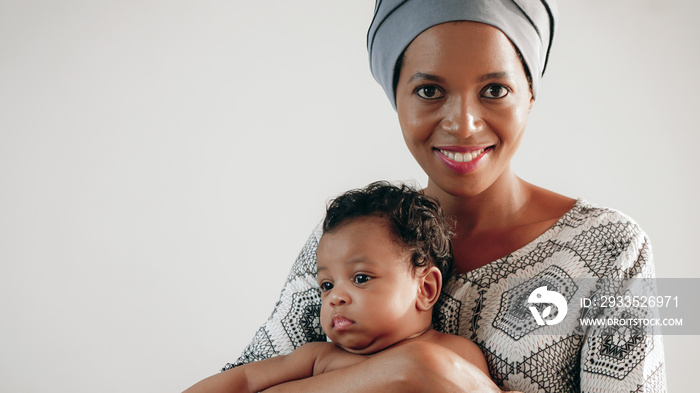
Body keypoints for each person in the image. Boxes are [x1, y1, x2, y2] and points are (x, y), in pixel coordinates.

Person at [223, 1, 668, 392]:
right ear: (395, 99)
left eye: (494, 90)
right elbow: (235, 381)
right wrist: (409, 371)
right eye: (429, 91)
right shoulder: (345, 244)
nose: (464, 124)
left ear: (530, 95)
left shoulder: (616, 249)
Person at [184, 182, 502, 393]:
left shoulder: (456, 354)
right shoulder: (320, 358)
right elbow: (244, 378)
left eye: (361, 278)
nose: (335, 296)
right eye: (326, 284)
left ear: (426, 288)